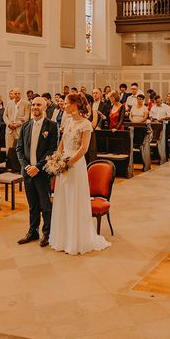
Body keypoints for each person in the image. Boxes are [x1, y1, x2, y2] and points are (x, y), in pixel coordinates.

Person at [49, 93, 111, 255]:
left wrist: (68, 163)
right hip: (63, 161)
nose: (64, 105)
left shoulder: (86, 125)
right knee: (63, 198)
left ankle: (76, 239)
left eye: (67, 103)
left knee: (74, 198)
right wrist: (57, 157)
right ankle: (63, 238)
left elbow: (83, 149)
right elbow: (62, 142)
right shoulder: (68, 121)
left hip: (75, 165)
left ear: (75, 105)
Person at [16, 96, 59, 246]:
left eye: (38, 104)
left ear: (45, 106)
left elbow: (52, 150)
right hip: (27, 172)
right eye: (33, 104)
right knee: (32, 205)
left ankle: (47, 233)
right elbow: (19, 149)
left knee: (45, 205)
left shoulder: (52, 126)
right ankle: (33, 231)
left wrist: (38, 167)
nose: (35, 107)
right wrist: (27, 166)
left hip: (42, 172)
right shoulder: (26, 126)